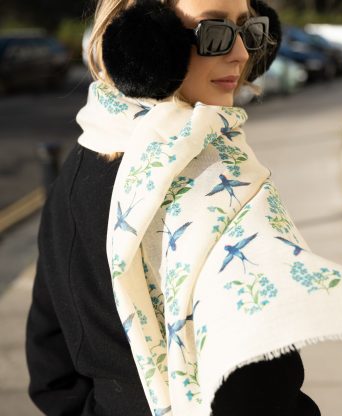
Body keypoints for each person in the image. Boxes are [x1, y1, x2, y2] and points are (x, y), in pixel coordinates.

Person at [25, 0, 322, 414]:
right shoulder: (218, 190)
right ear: (144, 42)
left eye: (249, 29)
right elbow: (260, 386)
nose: (241, 53)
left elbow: (50, 371)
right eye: (214, 34)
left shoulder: (73, 174)